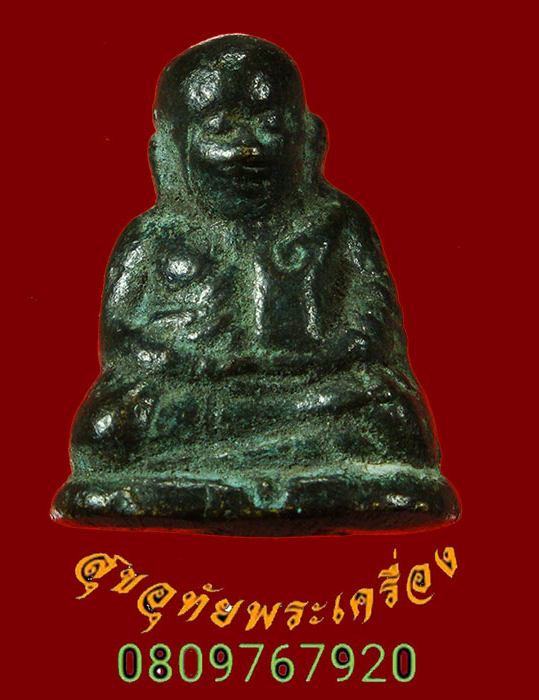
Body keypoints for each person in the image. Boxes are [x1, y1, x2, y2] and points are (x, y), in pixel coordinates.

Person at [54, 35, 459, 533]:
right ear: (170, 152)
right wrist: (190, 361)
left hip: (315, 385)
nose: (247, 149)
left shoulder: (337, 224)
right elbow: (122, 341)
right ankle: (275, 459)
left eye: (269, 125)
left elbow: (376, 321)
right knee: (106, 429)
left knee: (394, 417)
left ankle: (232, 467)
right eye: (219, 128)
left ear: (309, 140)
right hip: (204, 393)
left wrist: (327, 356)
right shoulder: (152, 238)